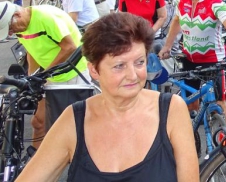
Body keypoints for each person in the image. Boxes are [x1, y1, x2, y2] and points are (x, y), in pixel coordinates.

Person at [16, 12, 198, 181]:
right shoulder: (74, 120)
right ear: (94, 70)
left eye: (139, 62)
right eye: (119, 66)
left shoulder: (171, 109)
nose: (133, 75)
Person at [0, 2, 90, 148]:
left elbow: (69, 47)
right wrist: (31, 78)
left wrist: (44, 74)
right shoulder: (21, 26)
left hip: (73, 73)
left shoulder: (46, 18)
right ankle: (36, 161)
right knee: (39, 122)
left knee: (76, 125)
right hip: (49, 75)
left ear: (17, 15)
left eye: (10, 28)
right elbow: (32, 52)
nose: (11, 33)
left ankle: (80, 162)